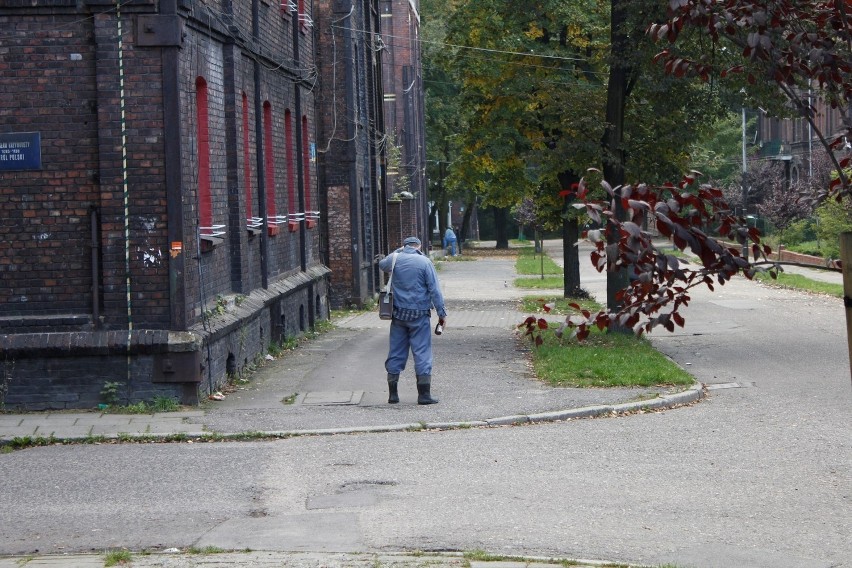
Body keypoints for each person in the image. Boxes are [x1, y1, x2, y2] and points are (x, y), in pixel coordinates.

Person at [378, 236, 447, 405]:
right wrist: (441, 313)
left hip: (398, 314)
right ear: (419, 246)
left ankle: (393, 394)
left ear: (404, 246)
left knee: (396, 351)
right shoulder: (425, 262)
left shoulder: (396, 258)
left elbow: (382, 265)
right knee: (422, 352)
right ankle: (424, 395)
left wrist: (398, 251)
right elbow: (434, 290)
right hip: (419, 314)